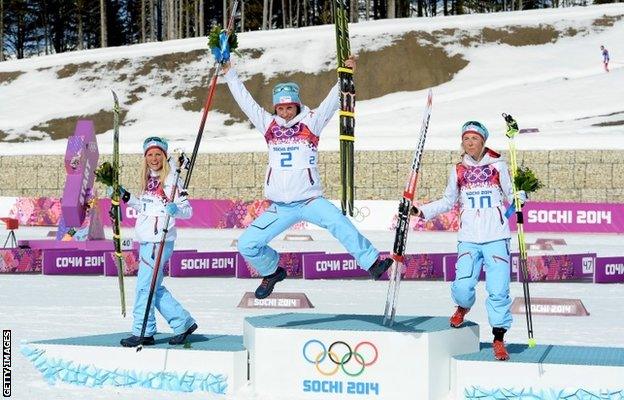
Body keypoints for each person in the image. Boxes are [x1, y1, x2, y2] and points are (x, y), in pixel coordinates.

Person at [221, 57, 393, 299]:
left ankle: (372, 263)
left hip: (310, 201)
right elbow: (246, 103)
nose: (285, 112)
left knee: (338, 222)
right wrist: (229, 73)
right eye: (280, 109)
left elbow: (332, 102)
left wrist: (346, 73)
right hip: (280, 207)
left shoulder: (311, 121)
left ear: (297, 105)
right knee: (246, 244)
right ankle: (271, 271)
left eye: (289, 107)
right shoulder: (269, 126)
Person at [411, 121, 526, 361]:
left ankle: (498, 337)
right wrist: (421, 211)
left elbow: (511, 194)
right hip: (469, 238)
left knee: (498, 291)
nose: (470, 143)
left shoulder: (498, 165)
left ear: (483, 141)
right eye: (466, 139)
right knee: (462, 287)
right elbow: (447, 201)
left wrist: (520, 197)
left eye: (474, 138)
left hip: (496, 237)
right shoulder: (457, 170)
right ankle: (463, 306)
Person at [118, 137, 197, 347]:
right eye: (150, 155)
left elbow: (187, 211)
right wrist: (127, 197)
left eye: (158, 154)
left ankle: (143, 331)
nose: (154, 159)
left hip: (159, 240)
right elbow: (146, 208)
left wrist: (176, 209)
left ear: (164, 156)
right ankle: (183, 322)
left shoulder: (172, 180)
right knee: (154, 286)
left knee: (144, 287)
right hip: (147, 239)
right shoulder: (149, 179)